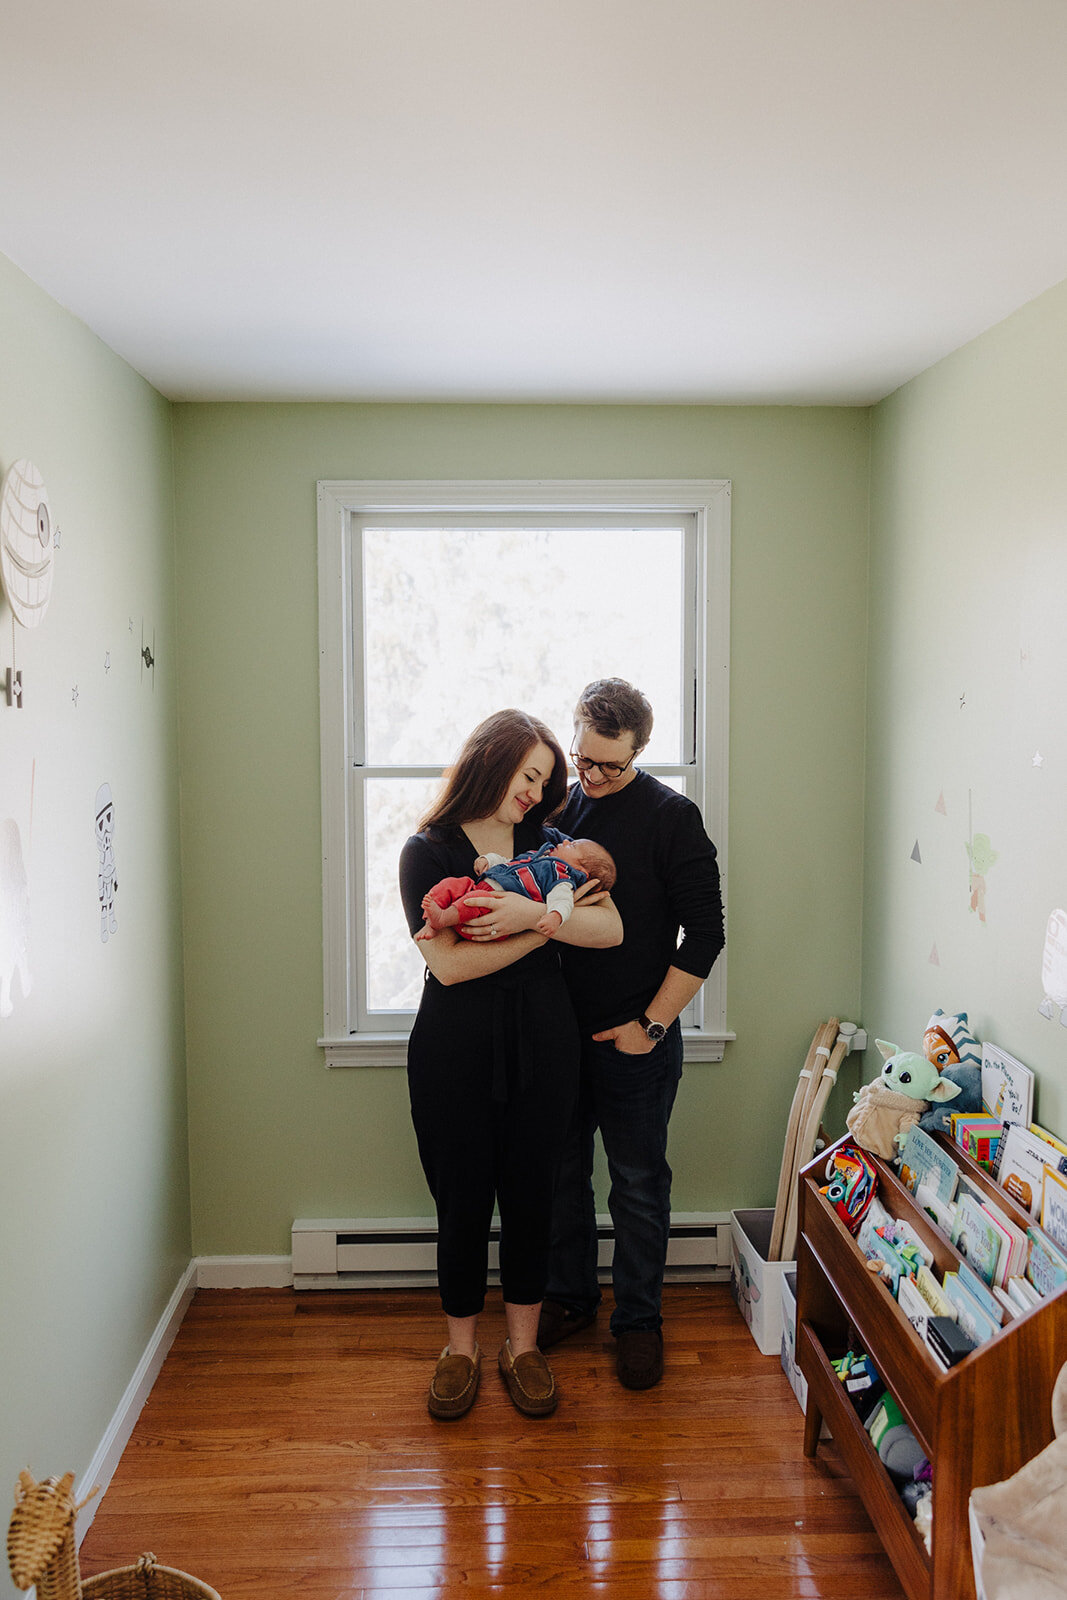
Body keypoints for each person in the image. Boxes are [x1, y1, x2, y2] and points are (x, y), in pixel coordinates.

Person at [398, 709, 623, 1421]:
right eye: (529, 775)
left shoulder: (552, 847)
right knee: (460, 1205)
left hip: (543, 1046)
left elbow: (611, 928)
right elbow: (448, 965)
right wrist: (543, 933)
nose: (536, 791)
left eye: (544, 781)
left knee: (535, 1201)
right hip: (453, 1052)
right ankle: (459, 1350)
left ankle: (521, 1349)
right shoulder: (426, 851)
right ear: (491, 760)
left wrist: (532, 917)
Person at [540, 678, 725, 1390]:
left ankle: (638, 1322)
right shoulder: (558, 803)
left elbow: (704, 935)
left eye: (607, 765)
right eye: (581, 758)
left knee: (638, 1188)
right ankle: (569, 1298)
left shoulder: (671, 818)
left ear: (639, 751)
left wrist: (649, 1026)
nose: (590, 776)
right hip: (559, 1035)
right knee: (560, 1179)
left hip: (635, 1041)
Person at [416, 837, 617, 941]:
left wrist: (554, 916)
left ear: (581, 871)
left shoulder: (561, 878)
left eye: (572, 846)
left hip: (491, 910)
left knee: (476, 898)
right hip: (479, 886)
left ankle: (443, 918)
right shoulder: (538, 855)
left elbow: (563, 900)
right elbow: (509, 862)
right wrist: (489, 860)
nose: (565, 841)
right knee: (453, 883)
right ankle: (431, 923)